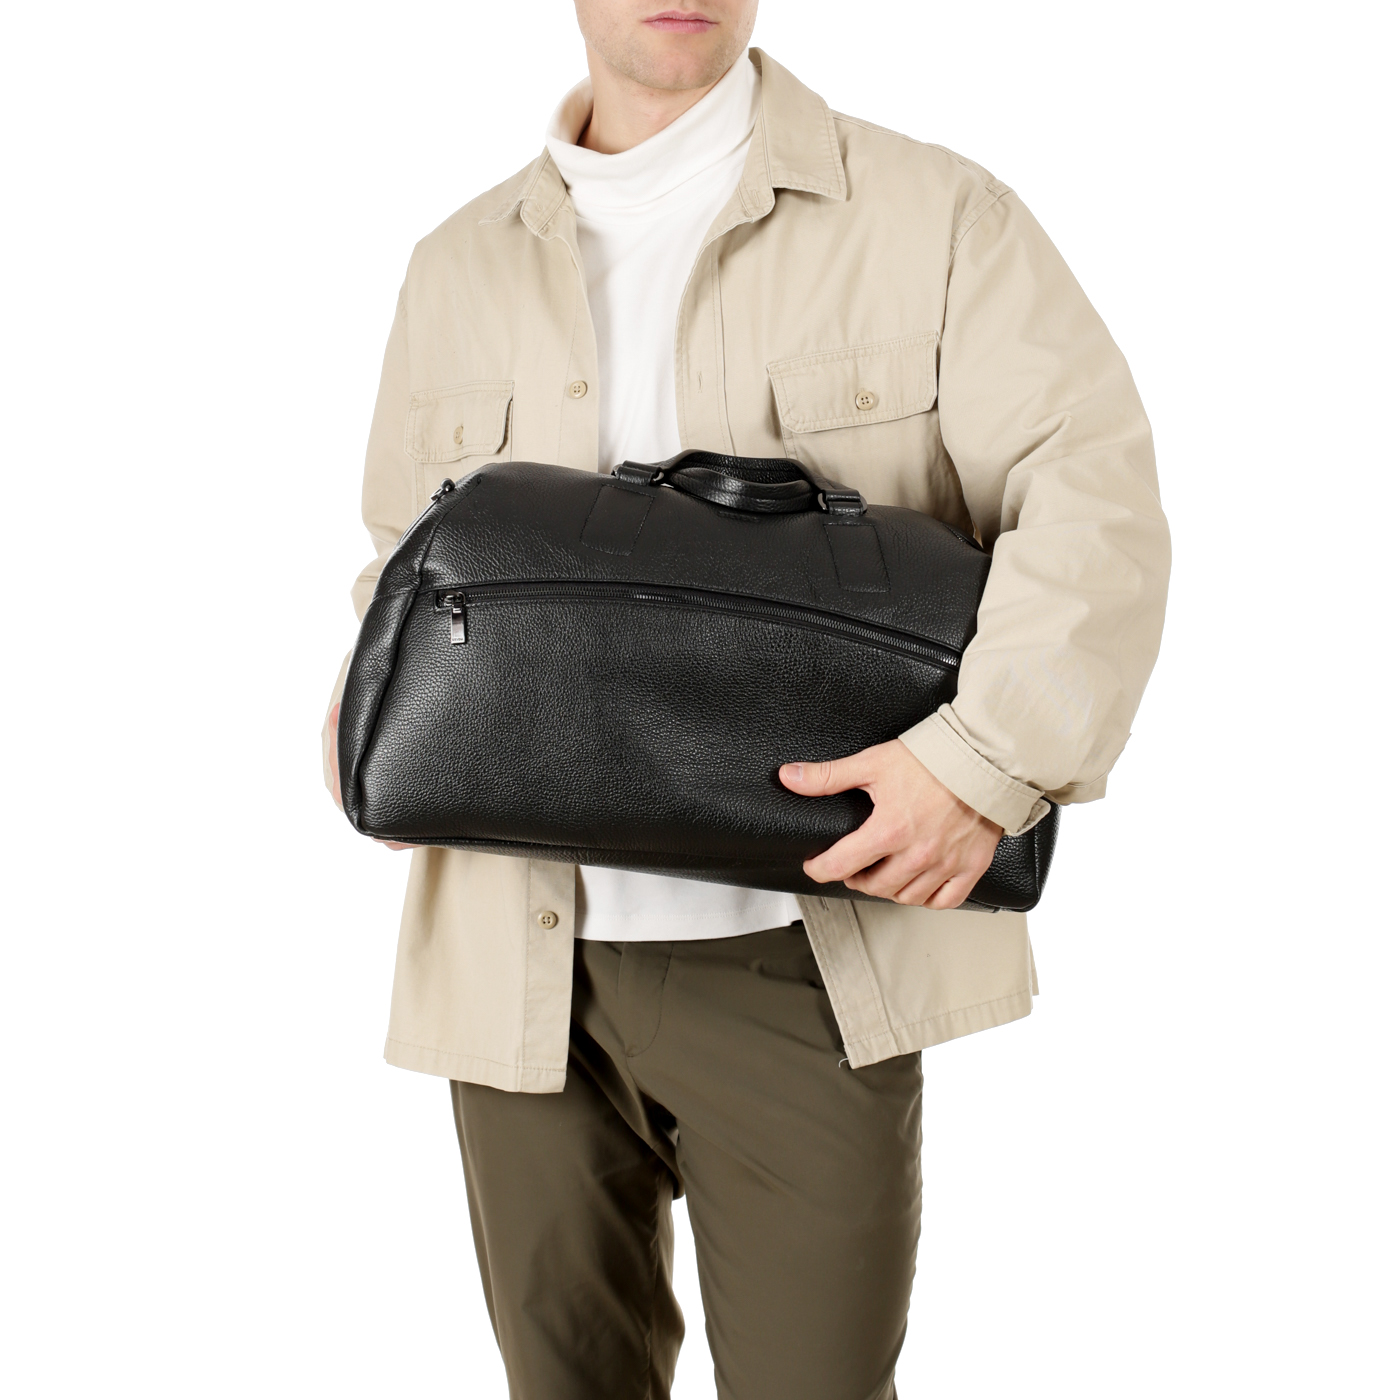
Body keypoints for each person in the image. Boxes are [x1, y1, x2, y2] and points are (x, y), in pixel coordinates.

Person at [322, 2, 1170, 1395]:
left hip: (805, 956)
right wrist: (373, 721)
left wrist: (983, 762)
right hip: (515, 957)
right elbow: (404, 561)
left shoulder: (937, 218)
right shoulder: (456, 265)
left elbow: (1097, 509)